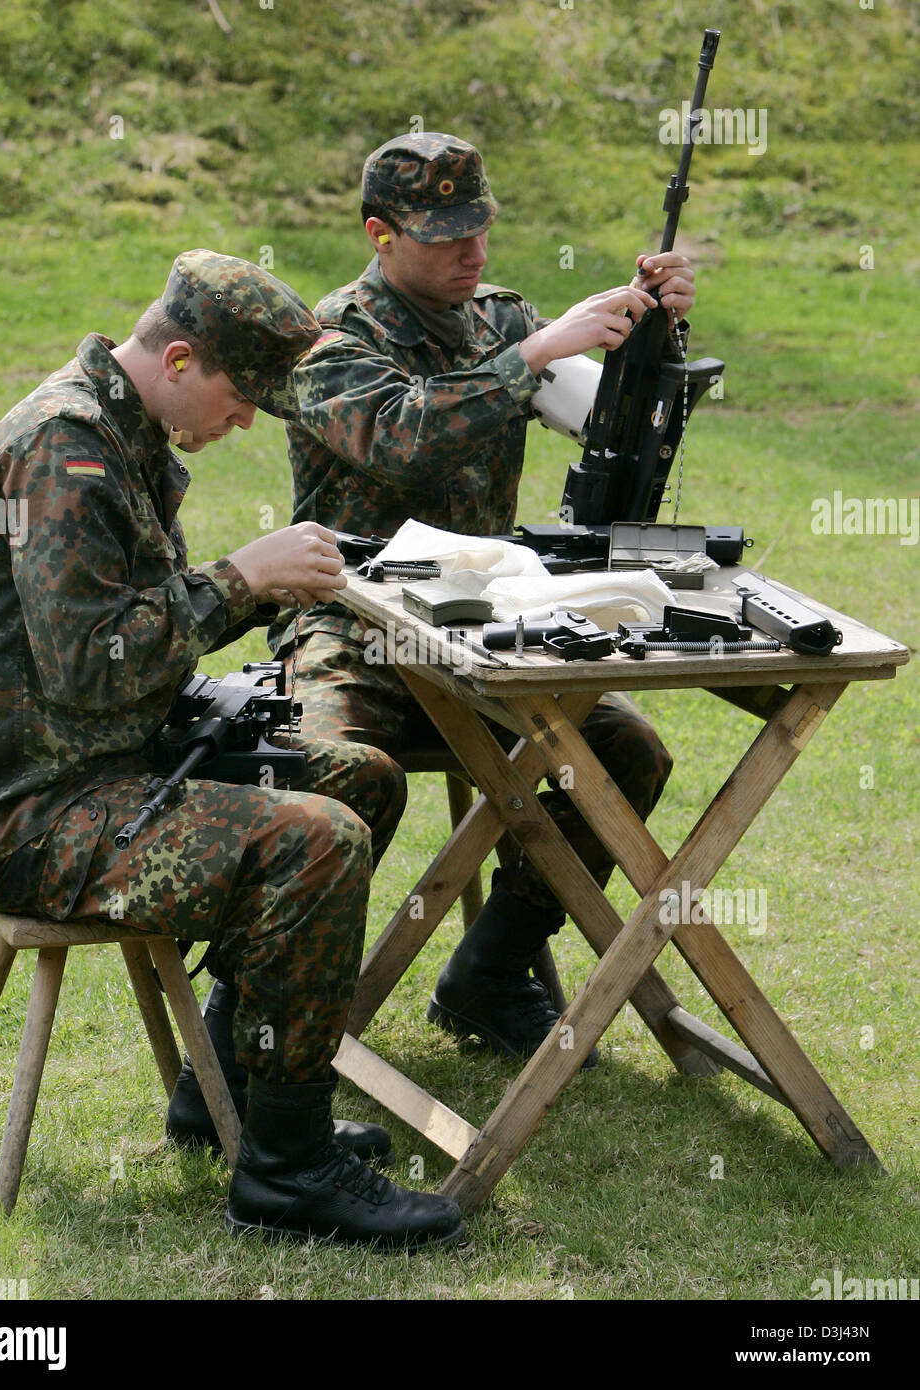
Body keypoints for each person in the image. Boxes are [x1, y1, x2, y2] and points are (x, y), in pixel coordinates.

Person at [0, 249, 463, 1250]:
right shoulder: (64, 451)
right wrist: (242, 578)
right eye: (244, 393)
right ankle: (287, 1173)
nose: (249, 419)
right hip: (22, 810)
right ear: (178, 359)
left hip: (105, 764)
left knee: (365, 780)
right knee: (318, 841)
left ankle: (231, 1089)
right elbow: (93, 666)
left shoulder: (117, 430)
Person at [266, 133, 696, 1065]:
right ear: (380, 234)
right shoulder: (330, 340)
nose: (474, 254)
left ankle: (493, 970)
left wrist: (650, 336)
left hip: (485, 635)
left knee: (625, 750)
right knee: (333, 778)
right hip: (353, 624)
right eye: (445, 235)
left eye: (481, 228)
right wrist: (537, 351)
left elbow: (614, 433)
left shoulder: (499, 320)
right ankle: (261, 1035)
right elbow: (402, 439)